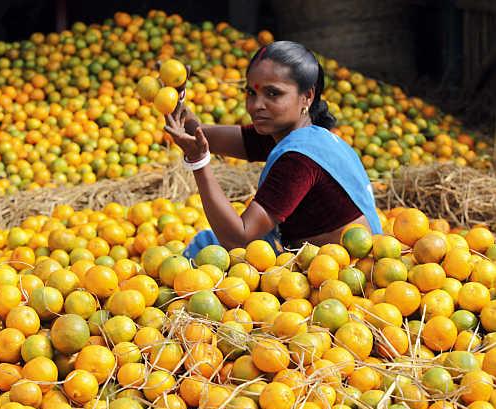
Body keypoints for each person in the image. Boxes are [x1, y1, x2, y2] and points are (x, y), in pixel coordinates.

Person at [164, 41, 383, 258]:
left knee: (206, 248)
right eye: (251, 93)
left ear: (307, 96)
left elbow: (238, 238)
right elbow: (201, 135)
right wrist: (176, 98)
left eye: (273, 94)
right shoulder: (290, 133)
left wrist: (198, 162)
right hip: (326, 260)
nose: (256, 105)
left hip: (341, 272)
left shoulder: (299, 160)